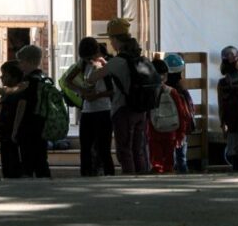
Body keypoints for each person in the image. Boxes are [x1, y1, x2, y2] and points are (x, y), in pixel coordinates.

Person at [86, 18, 150, 174]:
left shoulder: (117, 61)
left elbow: (91, 79)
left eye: (110, 39)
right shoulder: (141, 58)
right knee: (137, 149)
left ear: (115, 39)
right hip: (141, 109)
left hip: (123, 110)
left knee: (124, 150)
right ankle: (142, 180)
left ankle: (129, 181)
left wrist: (96, 65)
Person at [70, 37, 114, 177]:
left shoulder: (108, 64)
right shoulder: (83, 63)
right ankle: (86, 174)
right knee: (85, 147)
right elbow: (67, 80)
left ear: (97, 52)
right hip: (87, 110)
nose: (88, 60)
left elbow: (114, 90)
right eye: (85, 58)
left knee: (104, 148)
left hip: (104, 109)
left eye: (90, 57)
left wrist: (98, 95)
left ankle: (109, 174)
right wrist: (81, 92)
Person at [148, 58, 191, 174]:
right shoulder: (172, 92)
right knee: (169, 162)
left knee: (156, 162)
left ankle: (157, 180)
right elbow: (181, 113)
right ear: (166, 76)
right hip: (171, 131)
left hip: (153, 132)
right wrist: (181, 133)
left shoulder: (148, 93)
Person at [15, 44, 52, 178]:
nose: (19, 65)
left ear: (29, 61)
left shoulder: (27, 81)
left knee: (27, 161)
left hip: (27, 125)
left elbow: (22, 106)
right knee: (41, 159)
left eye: (21, 62)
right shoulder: (43, 78)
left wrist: (15, 129)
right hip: (41, 123)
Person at [0, 60, 26, 178]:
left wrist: (15, 130)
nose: (2, 78)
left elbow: (19, 111)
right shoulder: (6, 92)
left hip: (11, 131)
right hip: (3, 131)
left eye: (5, 75)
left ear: (15, 77)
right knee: (5, 159)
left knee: (13, 159)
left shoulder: (19, 93)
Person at [164, 53, 194, 173]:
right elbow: (190, 108)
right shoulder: (182, 90)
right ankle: (183, 173)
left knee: (169, 154)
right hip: (182, 127)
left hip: (168, 125)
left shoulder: (165, 90)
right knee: (181, 156)